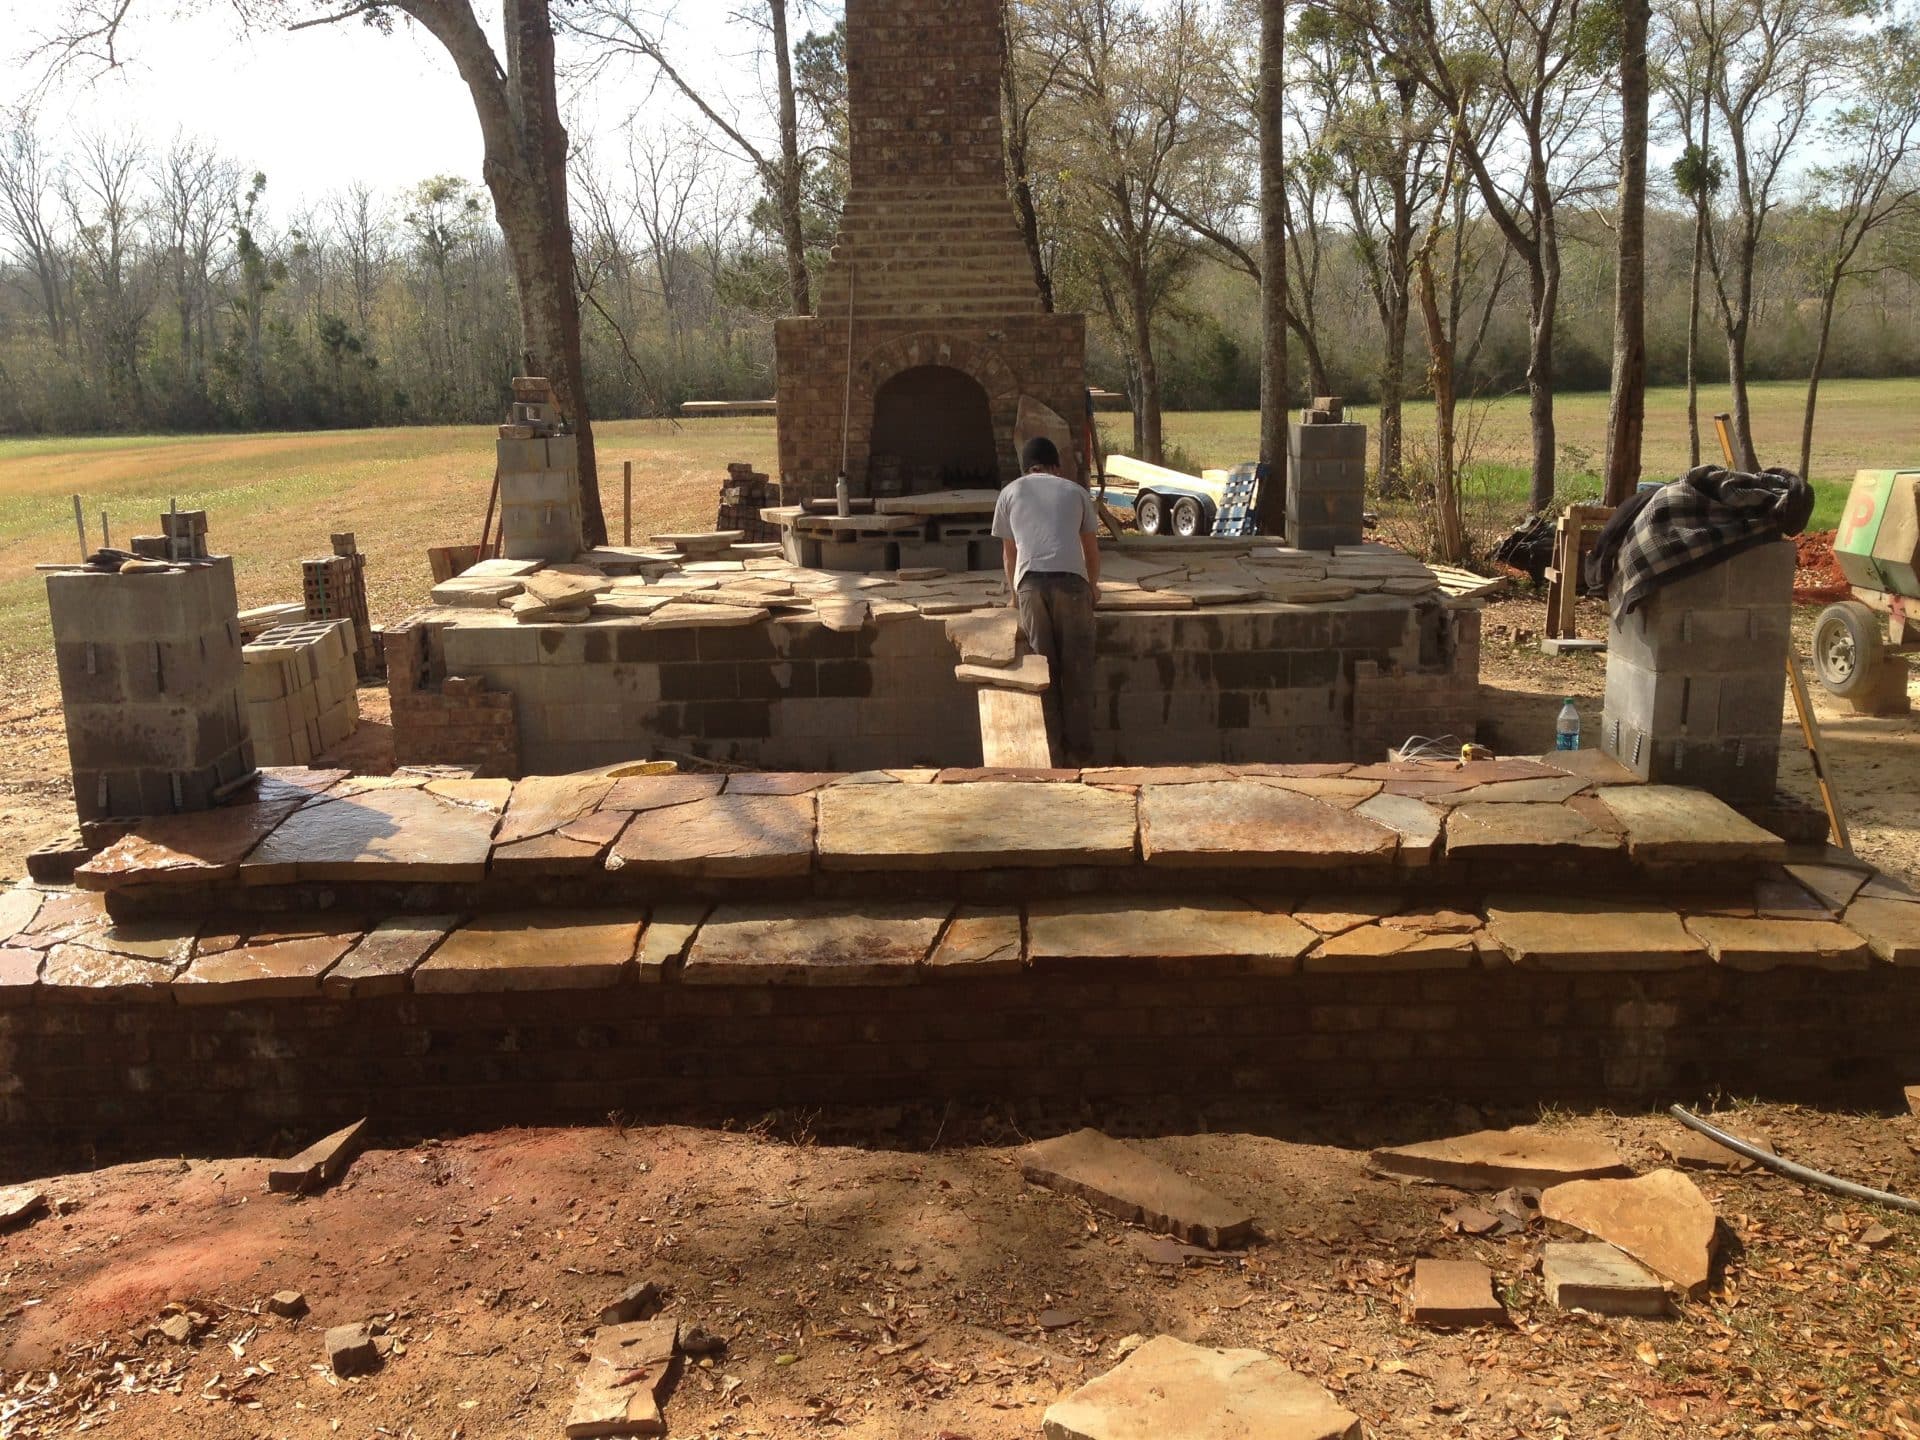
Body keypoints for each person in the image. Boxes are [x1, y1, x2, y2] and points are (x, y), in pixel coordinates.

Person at [991, 436, 1101, 762]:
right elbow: (1091, 552)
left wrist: (1014, 596)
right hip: (1071, 584)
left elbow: (1009, 555)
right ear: (1057, 467)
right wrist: (1092, 588)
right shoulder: (1075, 492)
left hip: (1030, 586)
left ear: (1027, 468)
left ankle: (1052, 758)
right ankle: (1081, 758)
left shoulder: (1010, 493)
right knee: (1076, 673)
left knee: (1043, 674)